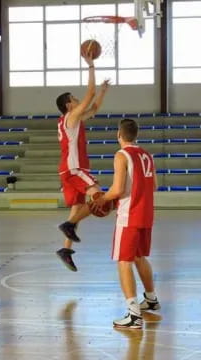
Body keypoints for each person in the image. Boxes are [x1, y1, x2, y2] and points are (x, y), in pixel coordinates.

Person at [93, 119, 160, 329]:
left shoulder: (121, 155)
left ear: (118, 135)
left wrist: (102, 199)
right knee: (139, 257)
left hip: (129, 215)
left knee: (124, 261)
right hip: (146, 213)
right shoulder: (147, 155)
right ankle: (151, 299)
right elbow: (155, 186)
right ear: (136, 134)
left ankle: (133, 314)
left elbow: (118, 189)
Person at [55, 51, 110, 272]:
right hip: (74, 168)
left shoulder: (71, 120)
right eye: (74, 99)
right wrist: (90, 66)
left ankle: (65, 250)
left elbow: (94, 108)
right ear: (69, 105)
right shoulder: (71, 117)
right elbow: (90, 92)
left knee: (77, 209)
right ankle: (68, 226)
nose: (78, 100)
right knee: (99, 195)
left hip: (68, 170)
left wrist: (103, 93)